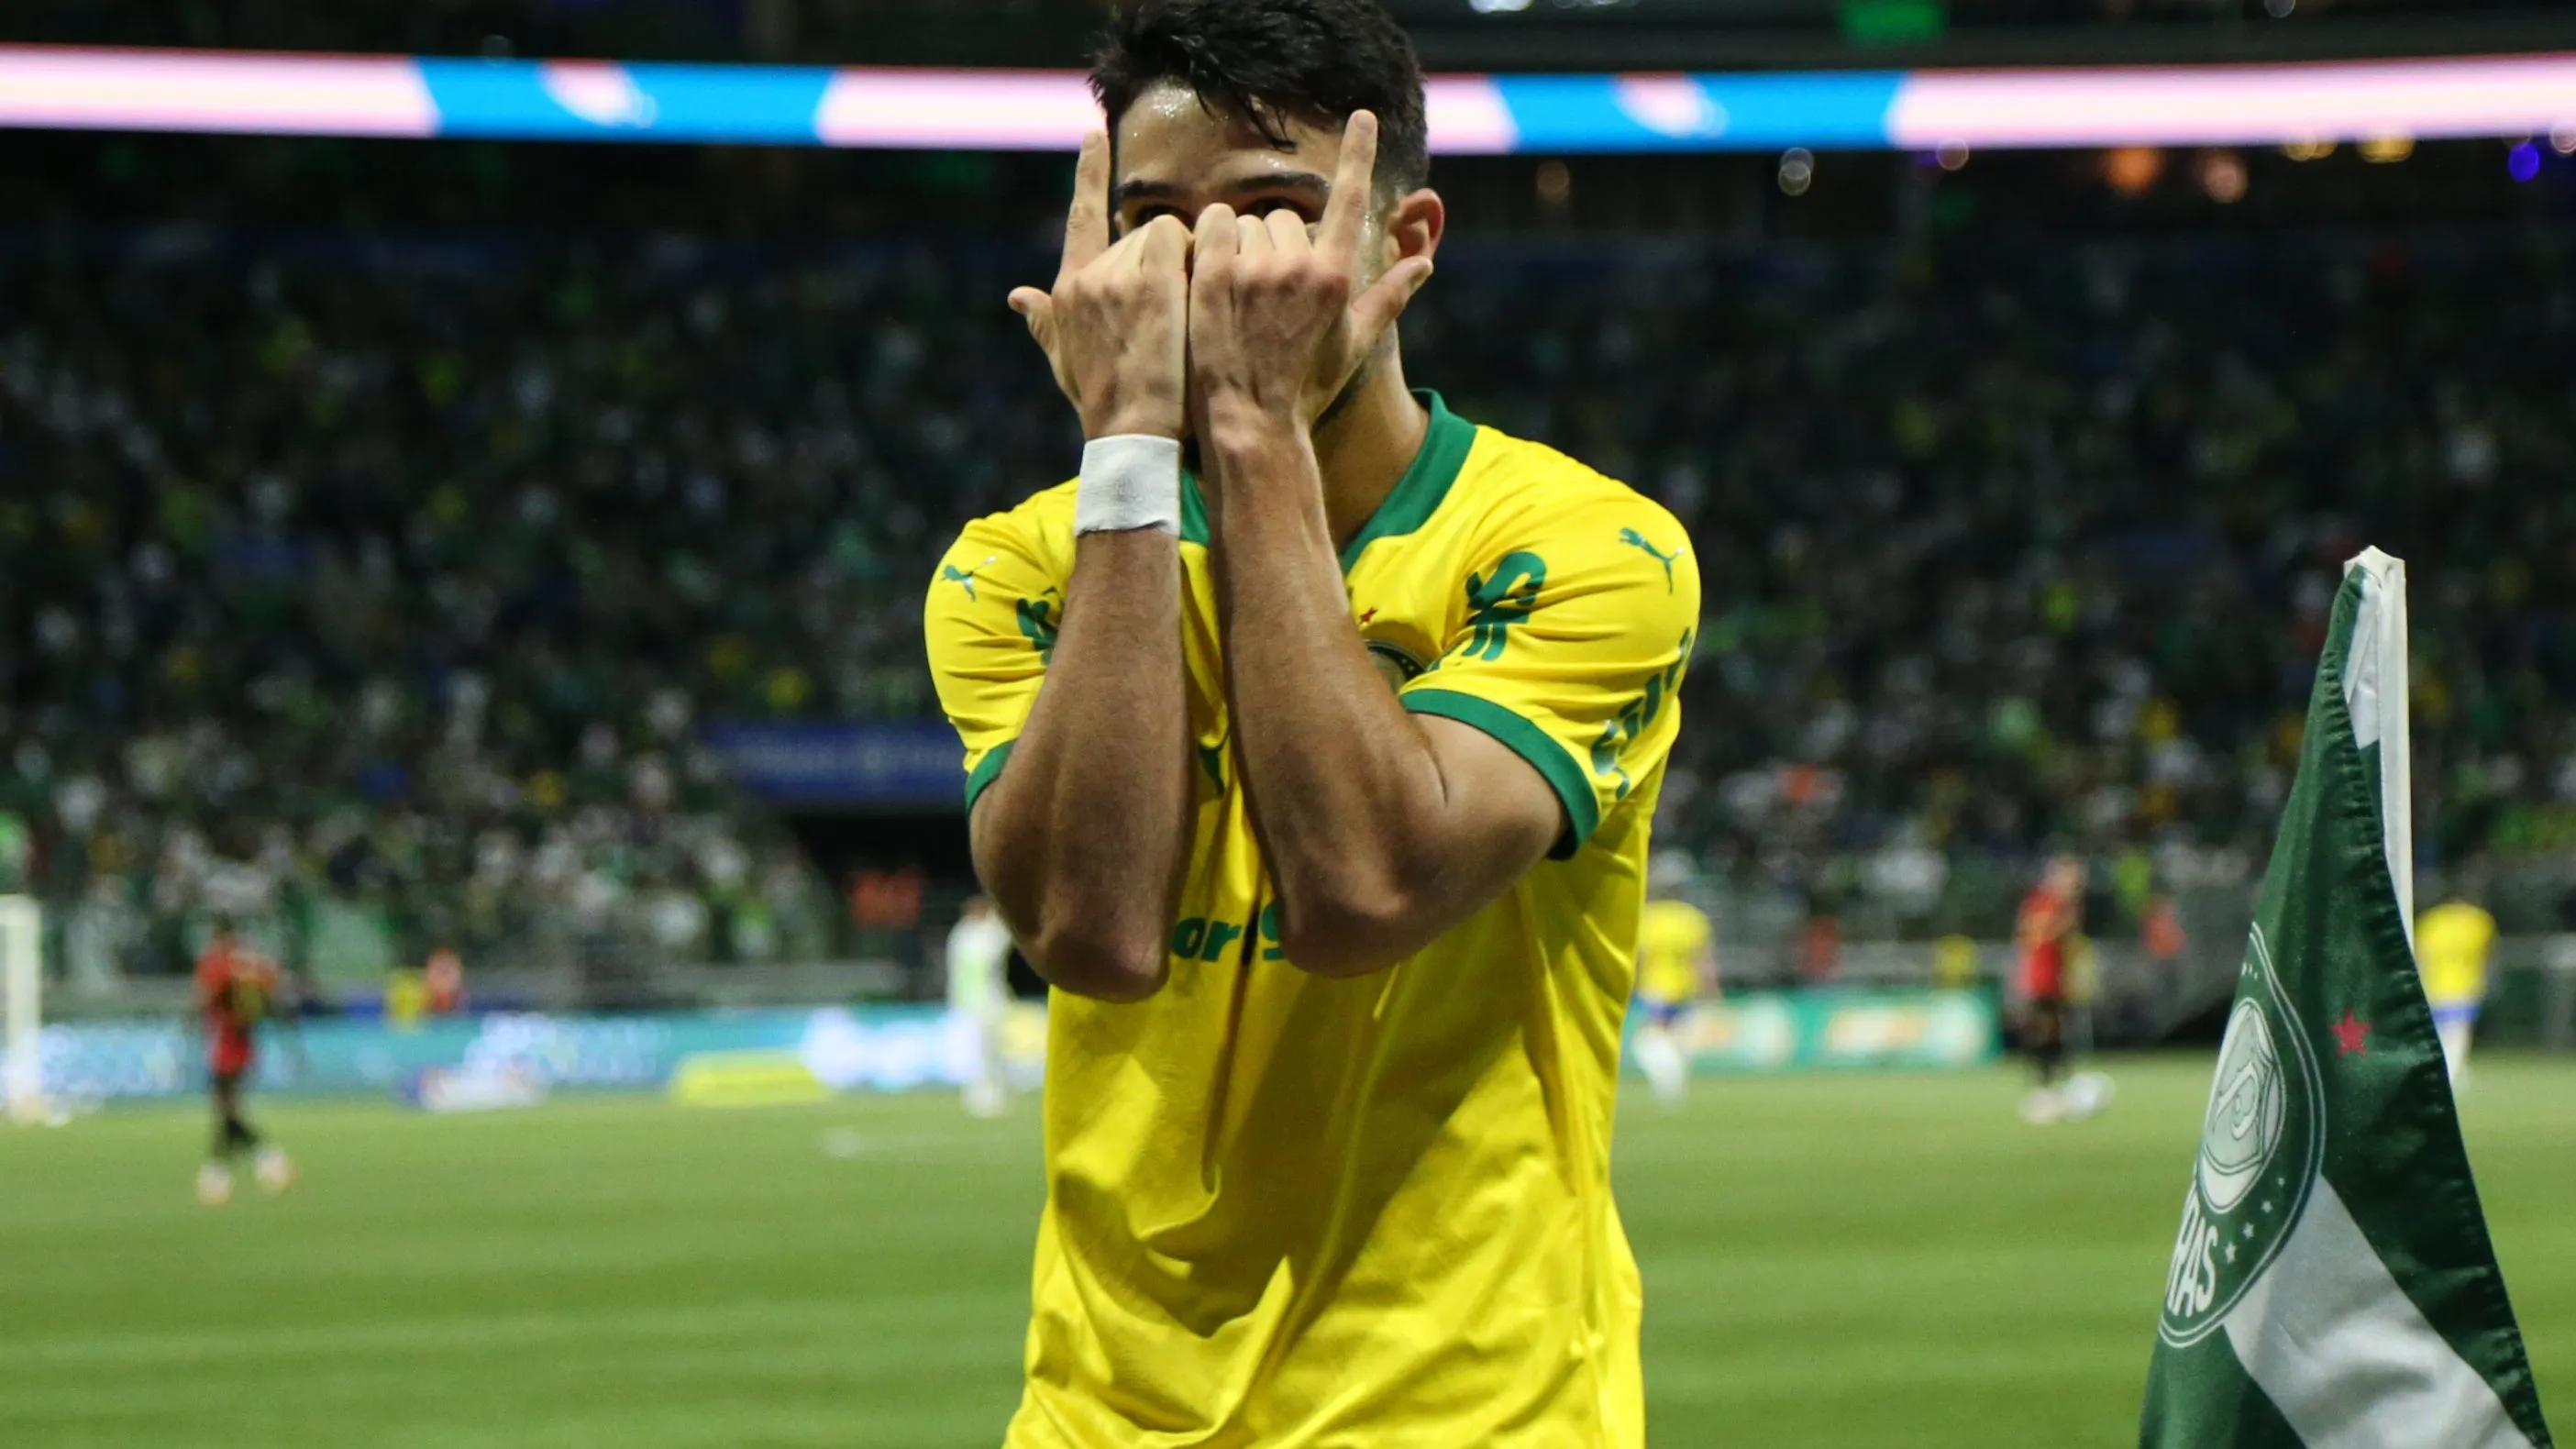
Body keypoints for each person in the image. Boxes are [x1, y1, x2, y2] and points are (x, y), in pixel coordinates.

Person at [922, 2, 1697, 1441]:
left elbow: (1364, 892)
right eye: (1151, 221)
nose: (1214, 268)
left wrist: (1257, 429)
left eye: (1273, 212)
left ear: (1404, 242)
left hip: (1465, 1413)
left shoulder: (1591, 549)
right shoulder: (1015, 565)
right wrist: (1130, 459)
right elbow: (1091, 937)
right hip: (1102, 1416)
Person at [191, 916, 296, 1205]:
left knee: (227, 1108)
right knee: (227, 1108)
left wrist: (190, 1025)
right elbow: (273, 998)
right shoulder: (253, 963)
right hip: (247, 1041)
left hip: (224, 1042)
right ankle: (218, 1173)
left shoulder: (217, 962)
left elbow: (203, 998)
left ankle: (267, 1157)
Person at [1633, 854, 1717, 1104]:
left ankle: (1669, 1084)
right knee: (1676, 1039)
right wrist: (1711, 991)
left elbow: (1639, 958)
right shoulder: (1692, 918)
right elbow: (1702, 960)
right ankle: (1673, 1083)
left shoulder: (1647, 917)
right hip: (1685, 987)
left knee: (1651, 1039)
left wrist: (1630, 987)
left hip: (1656, 988)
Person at [2015, 855, 2084, 1124]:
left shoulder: (2067, 906)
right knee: (2043, 1027)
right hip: (2040, 976)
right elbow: (2034, 933)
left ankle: (2055, 1082)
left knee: (2056, 1027)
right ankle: (2044, 1082)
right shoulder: (2044, 902)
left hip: (2057, 977)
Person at [2417, 888, 2497, 1088]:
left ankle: (2445, 1069)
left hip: (2434, 985)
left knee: (2440, 1032)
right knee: (2458, 1033)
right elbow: (2485, 955)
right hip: (2464, 986)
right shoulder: (2478, 920)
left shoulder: (2431, 920)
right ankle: (2452, 1071)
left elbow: (2422, 956)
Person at [945, 895, 1015, 1117]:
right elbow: (993, 948)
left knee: (992, 1049)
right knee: (978, 1051)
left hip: (989, 1001)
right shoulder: (966, 936)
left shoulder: (972, 934)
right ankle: (981, 1095)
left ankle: (994, 1092)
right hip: (973, 1002)